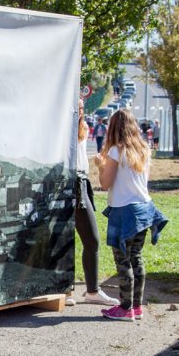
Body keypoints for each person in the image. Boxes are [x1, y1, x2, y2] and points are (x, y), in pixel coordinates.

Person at [96, 109, 168, 322]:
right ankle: (136, 306)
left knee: (123, 260)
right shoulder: (144, 149)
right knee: (136, 257)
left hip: (124, 212)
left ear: (113, 128)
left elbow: (105, 183)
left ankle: (125, 308)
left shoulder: (116, 152)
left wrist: (100, 166)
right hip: (144, 209)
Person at [68, 101, 119, 307]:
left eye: (82, 106)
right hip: (68, 181)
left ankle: (92, 291)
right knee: (64, 240)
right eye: (76, 106)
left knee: (92, 239)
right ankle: (65, 289)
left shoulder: (84, 127)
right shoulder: (64, 127)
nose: (80, 110)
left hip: (82, 182)